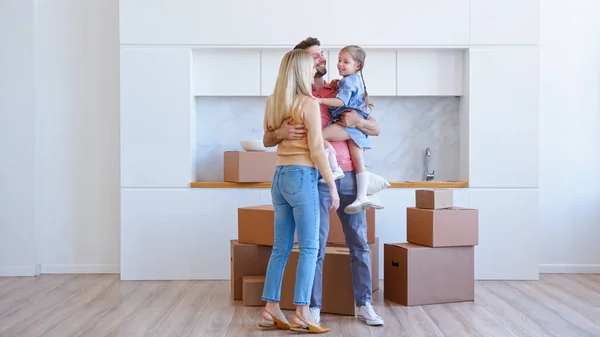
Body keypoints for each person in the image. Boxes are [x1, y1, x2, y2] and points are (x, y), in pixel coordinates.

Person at [263, 37, 385, 327]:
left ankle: (365, 303)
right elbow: (302, 141)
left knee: (359, 244)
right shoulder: (295, 98)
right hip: (315, 178)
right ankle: (311, 307)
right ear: (302, 64)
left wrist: (357, 123)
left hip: (350, 178)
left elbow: (375, 127)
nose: (322, 60)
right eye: (314, 57)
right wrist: (283, 132)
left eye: (320, 55)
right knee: (313, 246)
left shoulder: (340, 89)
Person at [258, 48, 340, 334]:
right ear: (301, 72)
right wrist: (331, 183)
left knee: (280, 247)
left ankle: (270, 308)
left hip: (279, 176)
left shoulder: (273, 101)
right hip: (303, 176)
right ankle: (303, 312)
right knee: (309, 247)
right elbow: (317, 149)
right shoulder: (308, 104)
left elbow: (265, 139)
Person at [316, 45, 377, 215]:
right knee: (359, 163)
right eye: (339, 60)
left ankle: (334, 168)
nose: (340, 64)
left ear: (357, 66)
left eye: (345, 62)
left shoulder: (350, 81)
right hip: (356, 125)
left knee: (319, 136)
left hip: (349, 124)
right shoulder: (350, 81)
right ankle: (362, 196)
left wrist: (320, 101)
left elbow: (342, 102)